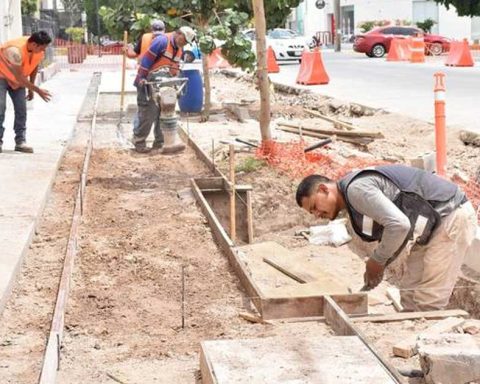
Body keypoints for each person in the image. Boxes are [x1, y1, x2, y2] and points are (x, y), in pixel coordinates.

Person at [296, 164, 478, 311]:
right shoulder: (352, 193)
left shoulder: (356, 190)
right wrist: (381, 264)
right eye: (312, 213)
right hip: (430, 224)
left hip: (451, 216)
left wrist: (377, 260)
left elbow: (399, 225)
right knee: (409, 293)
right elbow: (398, 228)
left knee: (429, 300)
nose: (317, 214)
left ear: (323, 189)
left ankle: (425, 349)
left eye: (314, 206)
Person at [132, 26, 195, 153]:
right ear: (179, 34)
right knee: (148, 113)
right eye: (184, 40)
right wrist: (142, 78)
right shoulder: (161, 41)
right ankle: (139, 142)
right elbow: (146, 60)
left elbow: (175, 67)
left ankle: (161, 143)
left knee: (165, 111)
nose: (184, 43)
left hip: (165, 82)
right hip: (149, 81)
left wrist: (175, 76)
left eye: (187, 42)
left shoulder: (179, 49)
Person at [0, 31, 52, 153]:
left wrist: (31, 88)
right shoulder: (14, 51)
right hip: (1, 76)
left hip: (18, 81)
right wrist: (38, 90)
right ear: (34, 45)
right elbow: (19, 78)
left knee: (21, 109)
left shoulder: (38, 50)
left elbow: (34, 66)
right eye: (43, 47)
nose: (44, 50)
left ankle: (20, 141)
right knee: (0, 108)